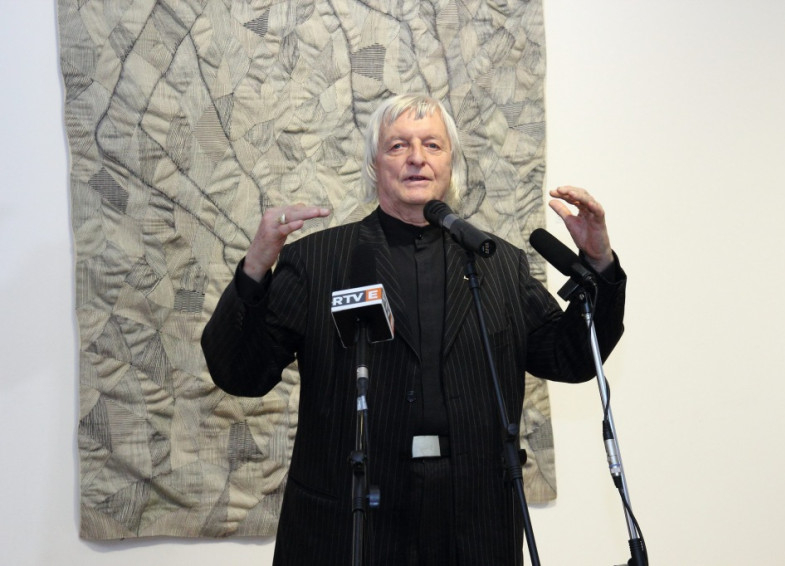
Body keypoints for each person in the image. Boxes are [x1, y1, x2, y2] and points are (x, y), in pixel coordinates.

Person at [201, 94, 626, 565]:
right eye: (398, 145)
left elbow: (571, 357)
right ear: (374, 165)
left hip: (474, 523)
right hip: (350, 521)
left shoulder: (498, 263)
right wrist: (256, 268)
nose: (417, 158)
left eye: (432, 145)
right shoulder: (318, 261)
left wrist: (599, 262)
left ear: (451, 164)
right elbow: (240, 374)